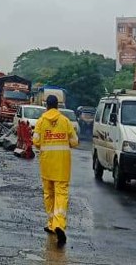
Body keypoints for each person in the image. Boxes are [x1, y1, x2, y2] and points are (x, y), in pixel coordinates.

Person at [33, 94, 79, 248]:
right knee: (61, 194)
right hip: (62, 166)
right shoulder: (65, 121)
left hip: (46, 164)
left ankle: (51, 224)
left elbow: (36, 141)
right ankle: (59, 224)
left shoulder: (40, 121)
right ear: (58, 106)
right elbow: (75, 142)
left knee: (48, 194)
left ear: (46, 105)